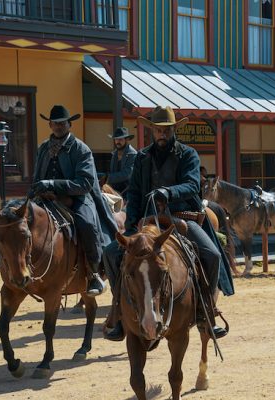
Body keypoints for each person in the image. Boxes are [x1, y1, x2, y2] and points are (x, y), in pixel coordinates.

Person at [102, 105, 234, 341]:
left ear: (174, 129)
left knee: (212, 255)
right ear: (152, 130)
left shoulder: (188, 154)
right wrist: (132, 226)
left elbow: (192, 185)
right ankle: (119, 310)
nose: (162, 133)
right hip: (147, 220)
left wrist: (167, 192)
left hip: (183, 217)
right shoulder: (142, 157)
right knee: (111, 253)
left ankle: (206, 312)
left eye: (166, 129)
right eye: (157, 129)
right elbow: (134, 192)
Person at [30, 105, 116, 296]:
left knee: (87, 225)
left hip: (76, 198)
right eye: (55, 123)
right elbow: (37, 176)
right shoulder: (43, 148)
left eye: (62, 123)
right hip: (45, 198)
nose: (59, 126)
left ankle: (94, 274)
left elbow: (85, 183)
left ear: (69, 124)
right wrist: (33, 192)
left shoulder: (81, 149)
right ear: (50, 125)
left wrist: (53, 183)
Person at [102, 126, 137, 194]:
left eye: (120, 139)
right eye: (116, 139)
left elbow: (127, 174)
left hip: (129, 191)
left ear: (126, 140)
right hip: (114, 190)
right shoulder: (114, 154)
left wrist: (107, 178)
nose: (118, 141)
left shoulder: (132, 154)